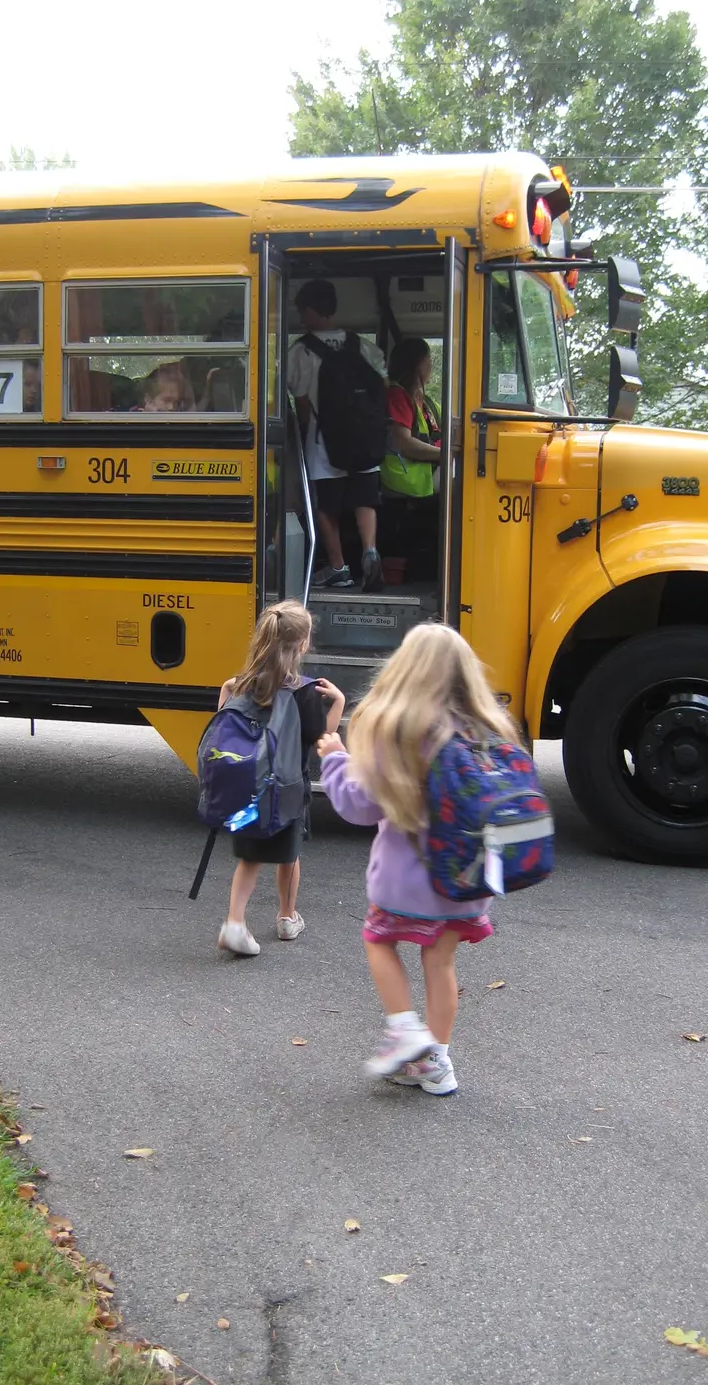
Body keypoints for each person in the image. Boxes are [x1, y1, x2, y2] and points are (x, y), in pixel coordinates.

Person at [316, 623, 520, 1095]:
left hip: (407, 880)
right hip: (468, 878)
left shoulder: (401, 733)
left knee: (378, 940)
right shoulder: (486, 730)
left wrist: (335, 757)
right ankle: (438, 1064)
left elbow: (357, 806)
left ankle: (404, 1029)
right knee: (440, 962)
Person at [217, 600, 345, 957]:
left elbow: (224, 724)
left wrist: (226, 689)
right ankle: (287, 917)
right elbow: (321, 740)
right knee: (290, 854)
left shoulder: (242, 685)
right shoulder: (304, 692)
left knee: (250, 858)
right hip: (287, 790)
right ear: (303, 644)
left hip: (247, 789)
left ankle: (235, 921)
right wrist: (338, 702)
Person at [287, 279, 386, 591]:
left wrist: (306, 430)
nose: (302, 320)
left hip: (323, 441)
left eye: (303, 312)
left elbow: (301, 401)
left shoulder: (302, 352)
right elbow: (381, 389)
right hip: (366, 438)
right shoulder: (365, 347)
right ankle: (370, 551)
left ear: (314, 310)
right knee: (365, 499)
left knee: (326, 506)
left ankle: (337, 567)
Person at [381, 338, 442, 498]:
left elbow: (454, 422)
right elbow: (404, 444)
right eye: (428, 360)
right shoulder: (397, 396)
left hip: (424, 474)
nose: (431, 366)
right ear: (416, 365)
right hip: (403, 477)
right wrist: (445, 454)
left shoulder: (426, 402)